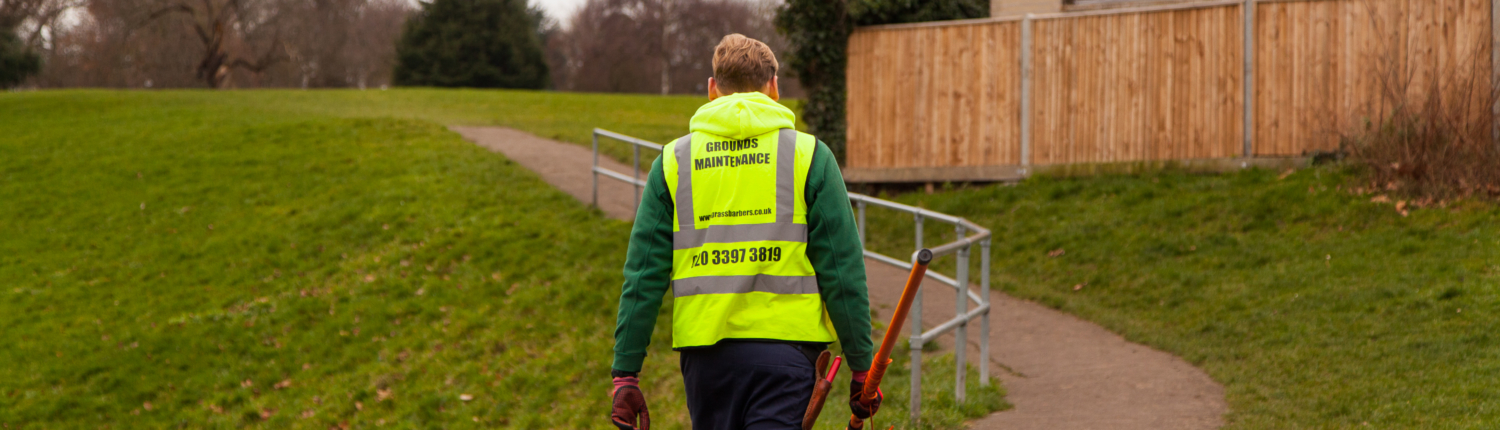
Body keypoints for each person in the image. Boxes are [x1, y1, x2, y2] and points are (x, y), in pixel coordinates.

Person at [609, 34, 880, 430]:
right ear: (774, 88)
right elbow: (843, 272)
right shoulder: (810, 157)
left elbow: (643, 276)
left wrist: (625, 374)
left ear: (711, 89)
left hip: (707, 361)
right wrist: (862, 368)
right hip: (788, 355)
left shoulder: (673, 162)